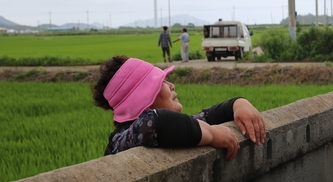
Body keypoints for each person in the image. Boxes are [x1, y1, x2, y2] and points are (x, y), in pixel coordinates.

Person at [91, 56, 266, 158]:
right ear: (143, 98)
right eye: (161, 82)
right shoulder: (122, 141)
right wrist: (212, 134)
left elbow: (204, 118)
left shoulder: (160, 128)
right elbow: (158, 122)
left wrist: (238, 104)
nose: (171, 85)